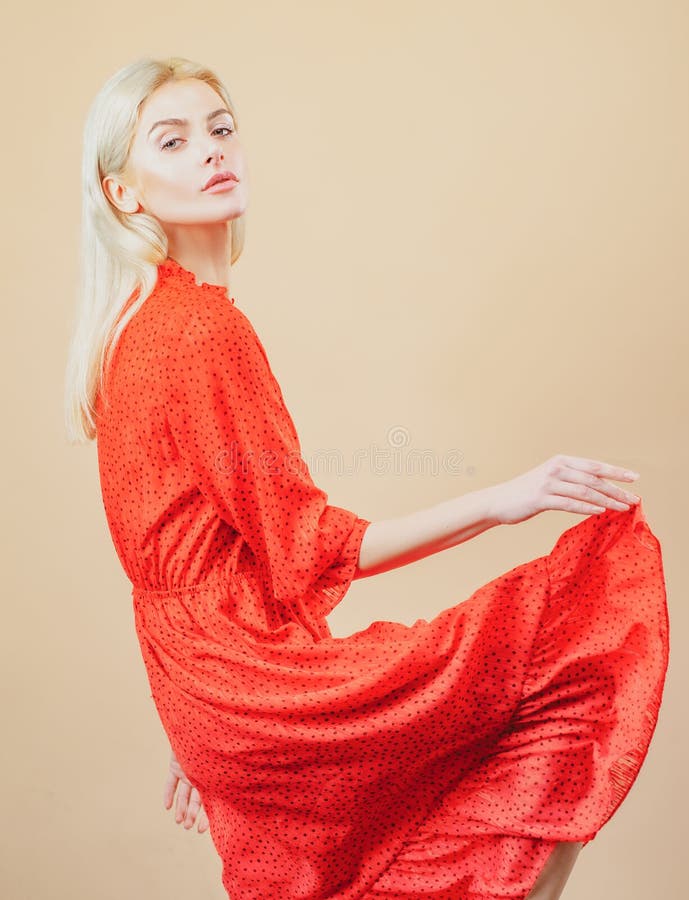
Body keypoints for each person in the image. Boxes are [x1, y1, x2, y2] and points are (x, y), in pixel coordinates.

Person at [63, 56, 669, 900]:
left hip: (209, 687)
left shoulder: (138, 328)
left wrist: (198, 710)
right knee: (575, 648)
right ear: (123, 193)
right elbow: (309, 548)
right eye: (172, 140)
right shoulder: (197, 332)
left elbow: (195, 555)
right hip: (236, 684)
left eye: (220, 128)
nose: (210, 150)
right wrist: (504, 500)